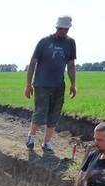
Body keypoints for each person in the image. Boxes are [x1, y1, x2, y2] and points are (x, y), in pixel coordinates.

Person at [24, 15, 77, 152]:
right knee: (40, 111)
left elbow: (71, 65)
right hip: (42, 83)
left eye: (65, 29)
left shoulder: (70, 43)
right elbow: (32, 63)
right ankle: (31, 136)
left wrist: (73, 84)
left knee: (54, 114)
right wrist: (28, 84)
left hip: (59, 85)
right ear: (56, 26)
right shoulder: (44, 42)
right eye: (60, 28)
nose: (62, 31)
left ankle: (46, 142)